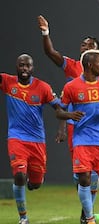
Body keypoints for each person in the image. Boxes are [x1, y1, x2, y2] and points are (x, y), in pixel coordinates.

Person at [37, 15, 99, 224]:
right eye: (83, 45)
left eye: (90, 46)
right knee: (80, 173)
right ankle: (86, 214)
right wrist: (45, 32)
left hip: (97, 127)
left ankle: (96, 199)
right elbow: (50, 53)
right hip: (75, 125)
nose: (85, 47)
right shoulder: (72, 67)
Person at [56, 49, 99, 224]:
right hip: (82, 139)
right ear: (90, 65)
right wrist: (69, 116)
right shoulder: (71, 87)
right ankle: (89, 219)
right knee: (84, 178)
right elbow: (59, 111)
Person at [1, 54, 60, 224]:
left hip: (37, 141)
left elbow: (58, 107)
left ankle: (33, 180)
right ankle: (23, 217)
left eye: (27, 66)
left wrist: (63, 127)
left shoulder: (42, 87)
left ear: (32, 68)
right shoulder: (7, 82)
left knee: (35, 184)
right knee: (19, 175)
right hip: (16, 138)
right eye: (21, 65)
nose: (24, 69)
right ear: (17, 67)